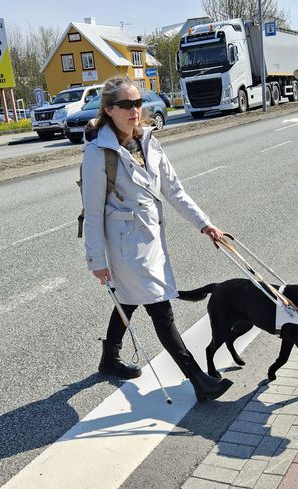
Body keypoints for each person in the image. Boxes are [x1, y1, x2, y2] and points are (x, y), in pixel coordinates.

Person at [81, 76, 229, 402]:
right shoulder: (97, 154)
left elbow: (174, 190)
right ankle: (198, 381)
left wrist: (205, 225)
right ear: (109, 109)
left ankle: (109, 357)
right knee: (161, 312)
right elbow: (92, 213)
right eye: (126, 104)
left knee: (129, 299)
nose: (135, 110)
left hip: (151, 238)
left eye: (138, 103)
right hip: (124, 245)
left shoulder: (149, 140)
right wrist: (97, 261)